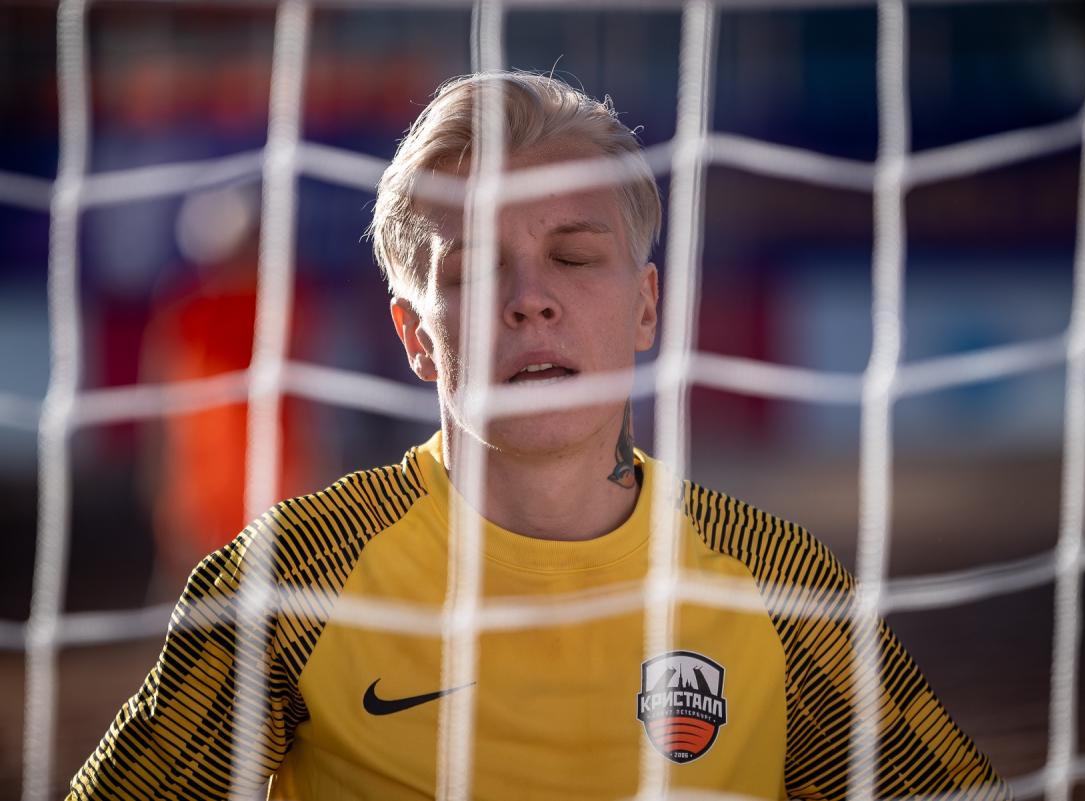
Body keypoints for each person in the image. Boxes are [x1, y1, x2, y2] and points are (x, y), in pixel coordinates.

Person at [68, 72, 1011, 801]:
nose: (531, 298)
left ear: (646, 307)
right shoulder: (291, 580)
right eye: (477, 269)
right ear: (415, 337)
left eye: (574, 255)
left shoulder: (780, 584)